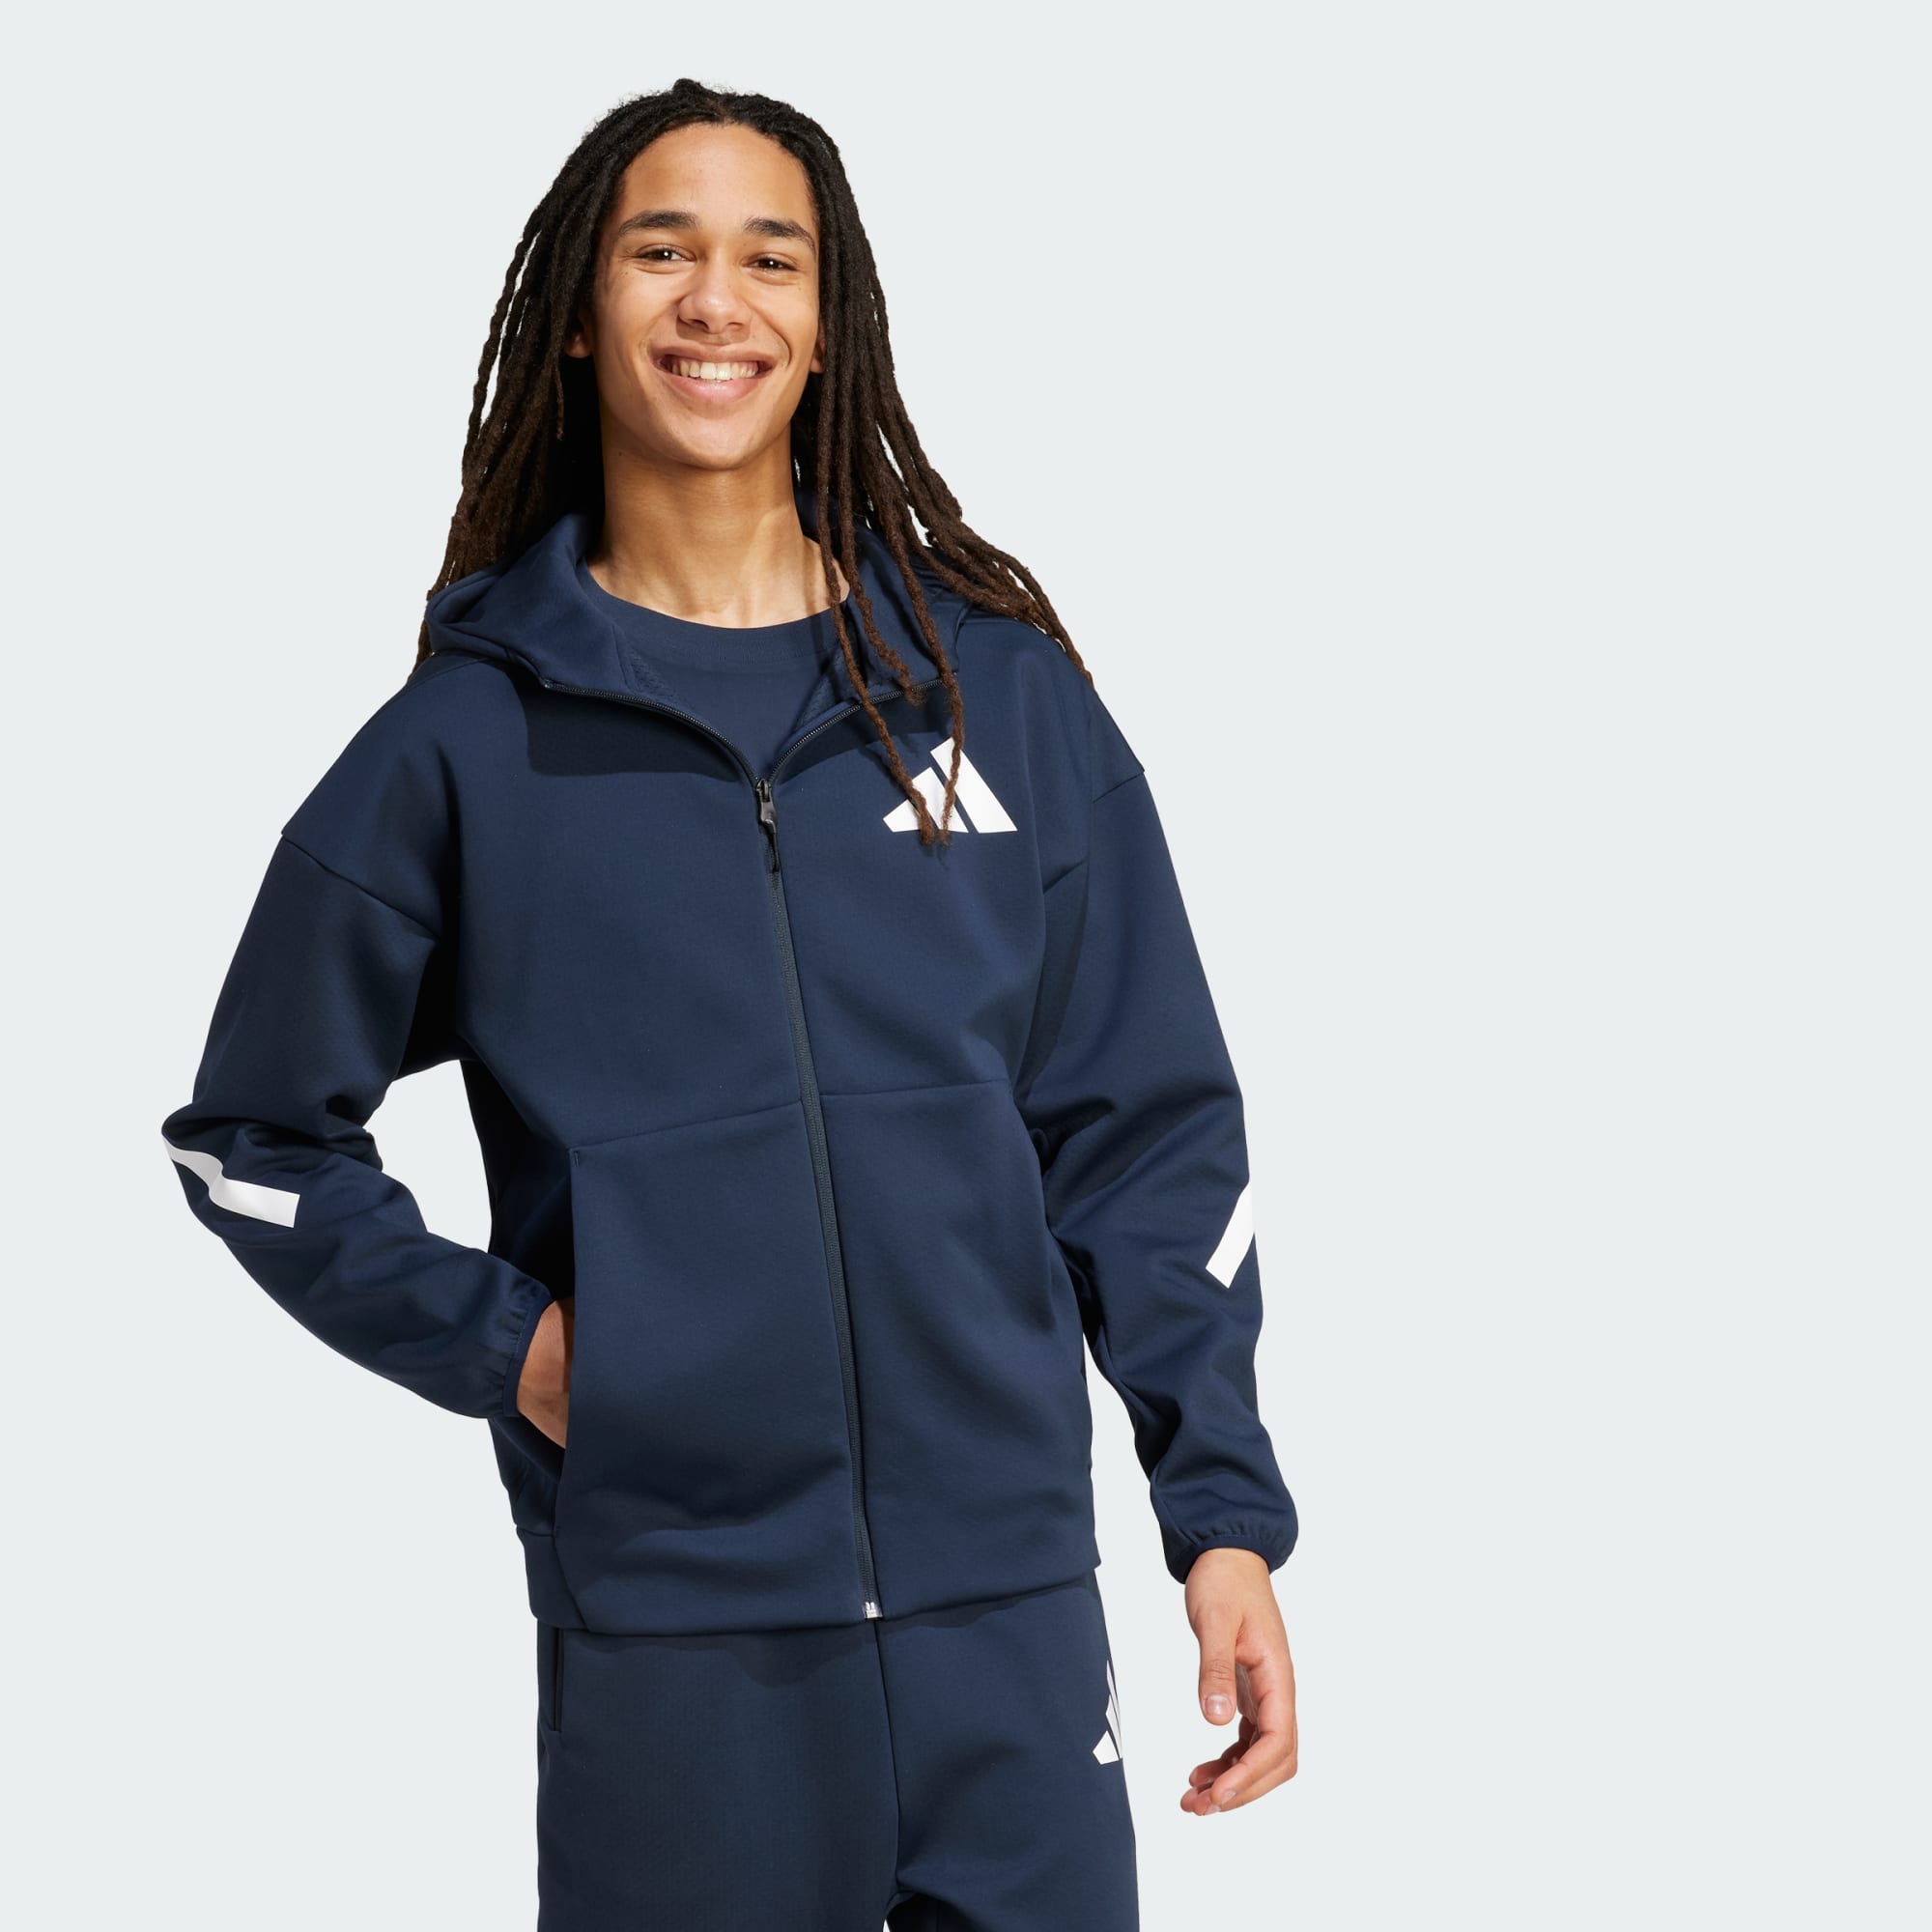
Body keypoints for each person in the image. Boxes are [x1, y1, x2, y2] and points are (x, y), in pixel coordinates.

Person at [158, 77, 1300, 1929]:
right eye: (661, 252)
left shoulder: (994, 701)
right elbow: (252, 1142)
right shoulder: (470, 744)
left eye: (771, 258)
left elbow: (1149, 1136)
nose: (717, 302)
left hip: (1012, 1625)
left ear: (828, 323)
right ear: (580, 311)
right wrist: (526, 1353)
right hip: (677, 1644)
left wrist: (1222, 1516)